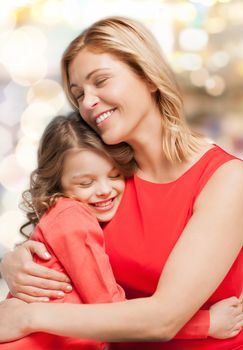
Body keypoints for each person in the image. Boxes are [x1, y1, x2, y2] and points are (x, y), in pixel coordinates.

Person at [0, 16, 242, 350]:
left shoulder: (226, 180)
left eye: (100, 81)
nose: (87, 101)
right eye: (78, 93)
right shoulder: (105, 182)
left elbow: (164, 319)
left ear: (149, 77)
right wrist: (16, 264)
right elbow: (64, 248)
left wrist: (29, 316)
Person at [0, 113, 235, 350]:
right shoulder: (74, 220)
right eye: (85, 183)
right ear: (57, 183)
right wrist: (208, 323)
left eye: (114, 175)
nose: (104, 190)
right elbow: (111, 308)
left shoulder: (72, 215)